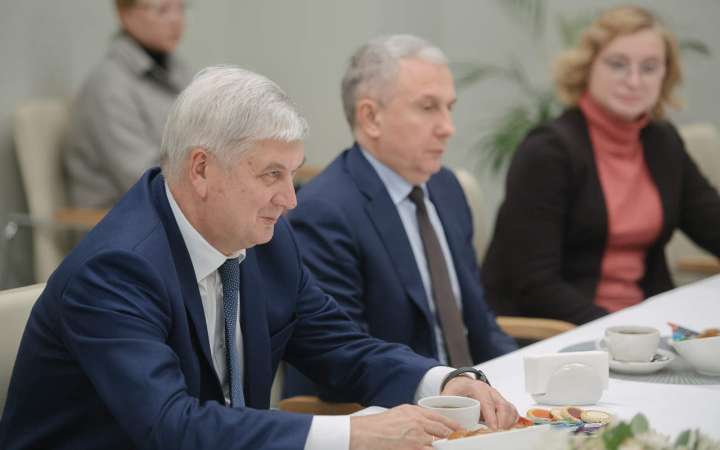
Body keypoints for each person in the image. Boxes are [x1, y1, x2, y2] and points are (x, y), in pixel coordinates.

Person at [0, 66, 518, 450]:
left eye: (293, 174)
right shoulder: (116, 271)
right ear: (201, 169)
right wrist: (354, 434)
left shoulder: (265, 242)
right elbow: (171, 427)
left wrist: (443, 380)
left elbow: (342, 348)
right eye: (272, 174)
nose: (290, 200)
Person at [283, 34, 517, 398]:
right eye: (428, 107)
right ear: (371, 118)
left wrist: (524, 378)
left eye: (449, 108)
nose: (448, 127)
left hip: (474, 395)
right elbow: (342, 359)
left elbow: (478, 320)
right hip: (398, 406)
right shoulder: (324, 212)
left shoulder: (447, 188)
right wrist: (444, 387)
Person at [482, 5, 720, 325]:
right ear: (588, 66)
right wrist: (621, 332)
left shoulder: (662, 142)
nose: (634, 81)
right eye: (618, 64)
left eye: (649, 68)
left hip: (645, 323)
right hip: (560, 330)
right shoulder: (548, 152)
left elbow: (711, 223)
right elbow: (534, 284)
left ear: (665, 75)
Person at [64, 0, 193, 209]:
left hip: (170, 207)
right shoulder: (109, 86)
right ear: (124, 14)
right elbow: (144, 180)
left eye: (181, 8)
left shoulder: (178, 72)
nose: (176, 20)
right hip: (120, 218)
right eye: (162, 9)